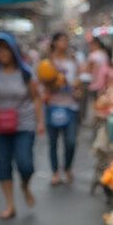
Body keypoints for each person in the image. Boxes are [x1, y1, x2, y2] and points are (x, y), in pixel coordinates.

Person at [0, 32, 44, 219]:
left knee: (25, 163)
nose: (3, 54)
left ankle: (25, 185)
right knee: (3, 164)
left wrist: (40, 122)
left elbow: (36, 98)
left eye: (6, 50)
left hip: (24, 123)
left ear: (13, 51)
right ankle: (10, 204)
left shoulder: (26, 72)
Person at [44, 32, 81, 185]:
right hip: (53, 106)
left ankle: (67, 167)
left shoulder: (73, 62)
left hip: (70, 106)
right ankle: (55, 172)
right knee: (53, 142)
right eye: (61, 40)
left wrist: (74, 89)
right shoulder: (47, 63)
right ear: (54, 43)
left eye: (66, 40)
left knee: (70, 141)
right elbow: (42, 84)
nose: (64, 43)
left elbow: (78, 85)